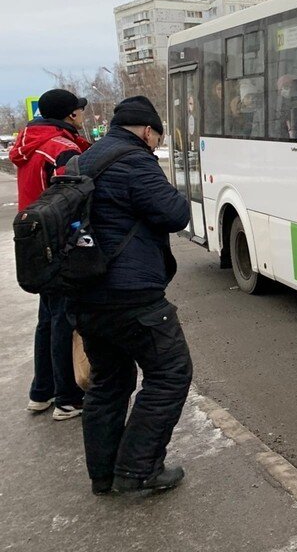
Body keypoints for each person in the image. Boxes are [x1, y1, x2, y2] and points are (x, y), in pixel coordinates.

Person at [67, 95, 192, 496]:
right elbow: (174, 213)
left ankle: (103, 475)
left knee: (108, 381)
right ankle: (138, 470)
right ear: (147, 130)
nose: (156, 143)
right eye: (156, 135)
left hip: (86, 293)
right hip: (132, 296)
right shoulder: (136, 161)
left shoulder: (82, 160)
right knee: (170, 373)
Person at [11, 89, 90, 421]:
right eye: (80, 111)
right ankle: (67, 398)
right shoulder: (60, 149)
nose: (83, 115)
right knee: (63, 320)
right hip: (57, 243)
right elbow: (70, 198)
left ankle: (40, 392)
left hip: (32, 241)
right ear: (70, 115)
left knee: (47, 319)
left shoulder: (28, 144)